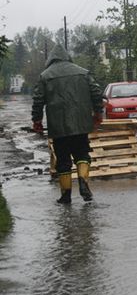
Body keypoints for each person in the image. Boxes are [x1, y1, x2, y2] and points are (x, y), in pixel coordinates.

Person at [31, 44, 103, 204]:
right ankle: (83, 182)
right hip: (81, 123)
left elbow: (38, 100)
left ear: (51, 59)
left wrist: (36, 120)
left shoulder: (45, 76)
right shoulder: (83, 72)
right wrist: (98, 113)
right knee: (82, 154)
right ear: (67, 56)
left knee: (63, 160)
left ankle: (66, 195)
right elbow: (97, 93)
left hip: (58, 126)